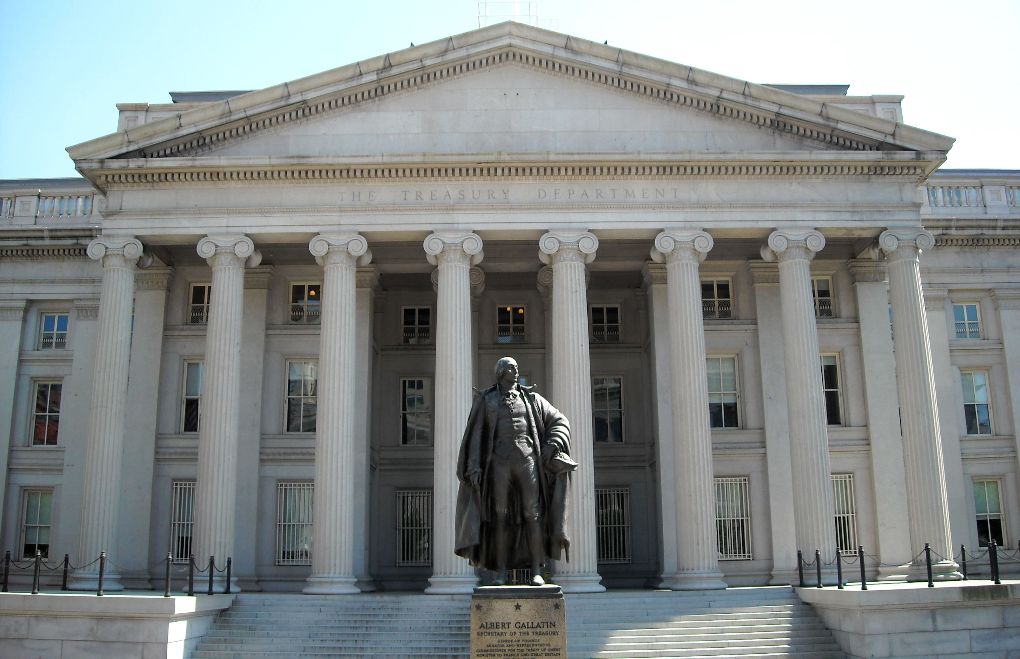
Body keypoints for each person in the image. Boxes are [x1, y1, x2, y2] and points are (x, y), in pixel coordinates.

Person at [454, 357, 576, 586]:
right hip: (499, 464)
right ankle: (500, 571)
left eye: (517, 367)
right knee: (499, 515)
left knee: (533, 514)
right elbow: (476, 434)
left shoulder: (532, 399)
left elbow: (560, 421)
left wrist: (551, 445)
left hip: (528, 461)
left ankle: (536, 570)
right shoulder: (487, 400)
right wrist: (473, 466)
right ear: (500, 372)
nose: (516, 370)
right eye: (511, 367)